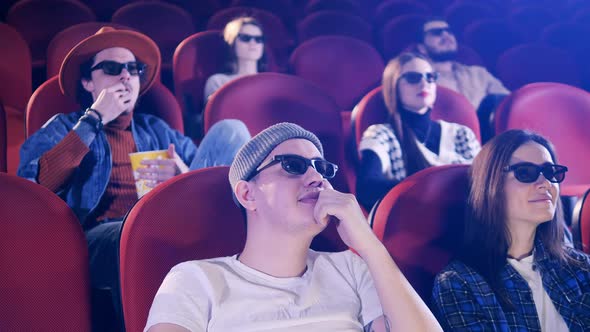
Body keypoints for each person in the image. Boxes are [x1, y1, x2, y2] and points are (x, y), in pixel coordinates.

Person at [17, 27, 250, 329]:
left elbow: (211, 182)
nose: (126, 76)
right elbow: (37, 188)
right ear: (88, 82)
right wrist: (94, 118)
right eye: (113, 69)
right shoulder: (63, 127)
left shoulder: (157, 129)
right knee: (128, 234)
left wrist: (185, 179)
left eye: (133, 69)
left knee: (231, 130)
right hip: (102, 234)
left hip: (172, 222)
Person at [144, 122, 443, 332]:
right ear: (248, 194)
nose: (317, 178)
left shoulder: (352, 268)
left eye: (322, 168)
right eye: (293, 165)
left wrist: (370, 245)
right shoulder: (196, 279)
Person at [432, 129, 590, 331]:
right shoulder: (458, 284)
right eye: (525, 172)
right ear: (491, 185)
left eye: (550, 173)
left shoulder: (580, 268)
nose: (545, 183)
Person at [357, 52, 481, 211]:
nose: (424, 83)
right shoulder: (382, 134)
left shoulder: (461, 134)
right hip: (411, 224)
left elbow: (484, 183)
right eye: (413, 78)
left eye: (430, 77)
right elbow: (366, 189)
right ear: (393, 87)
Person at [415, 18, 509, 110]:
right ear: (422, 48)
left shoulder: (479, 73)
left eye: (449, 31)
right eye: (436, 32)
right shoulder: (419, 81)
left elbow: (510, 103)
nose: (446, 35)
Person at [203, 16, 267, 101]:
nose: (253, 43)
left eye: (258, 39)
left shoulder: (270, 83)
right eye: (245, 38)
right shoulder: (218, 81)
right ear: (231, 42)